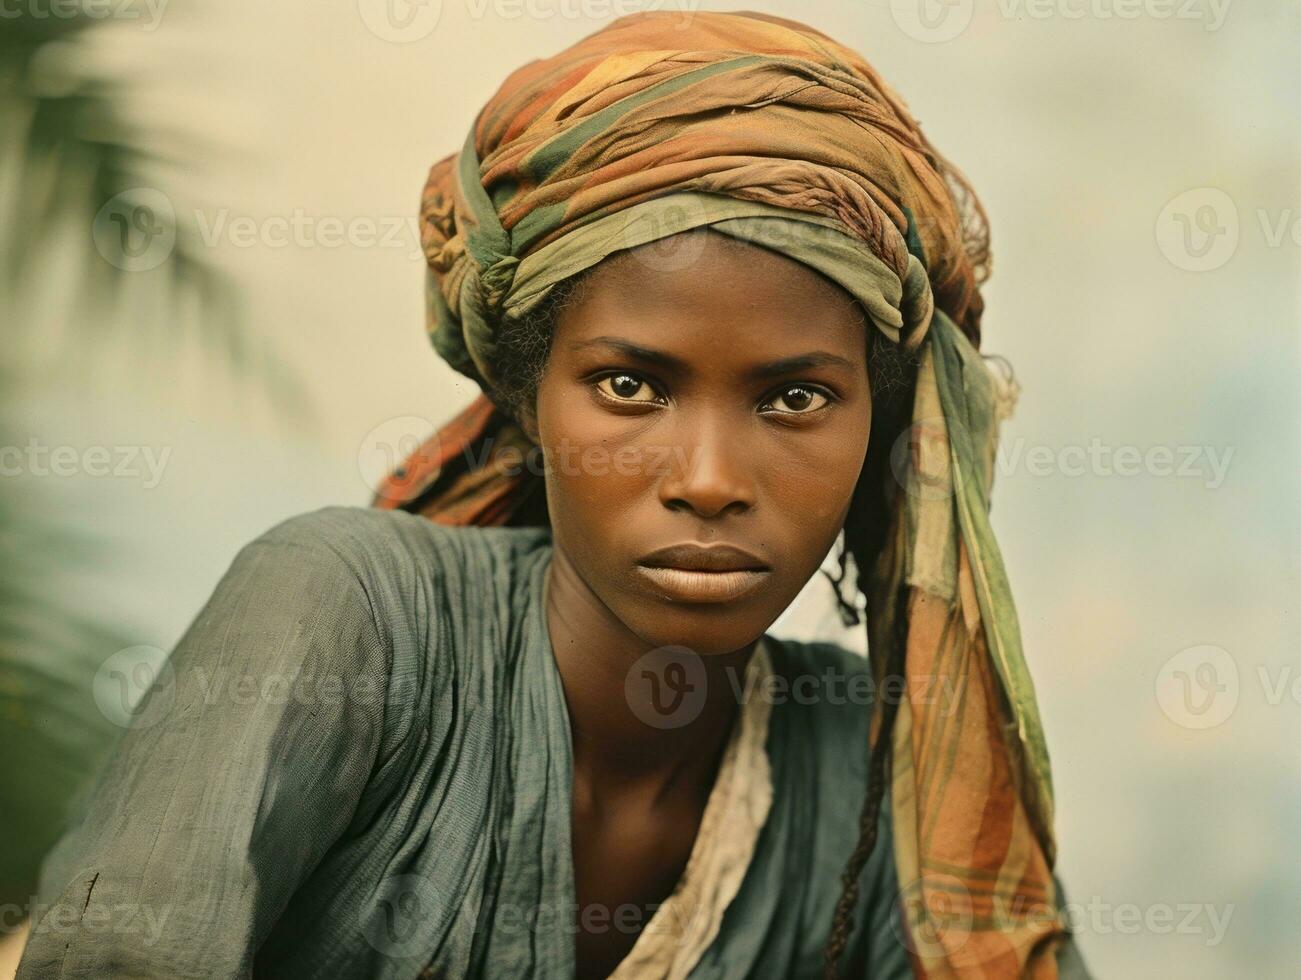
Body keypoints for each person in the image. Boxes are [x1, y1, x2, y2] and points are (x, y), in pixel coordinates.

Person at [16, 11, 1091, 979]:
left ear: (879, 425)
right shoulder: (345, 614)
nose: (709, 480)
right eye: (630, 386)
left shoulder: (872, 767)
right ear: (526, 401)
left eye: (795, 396)